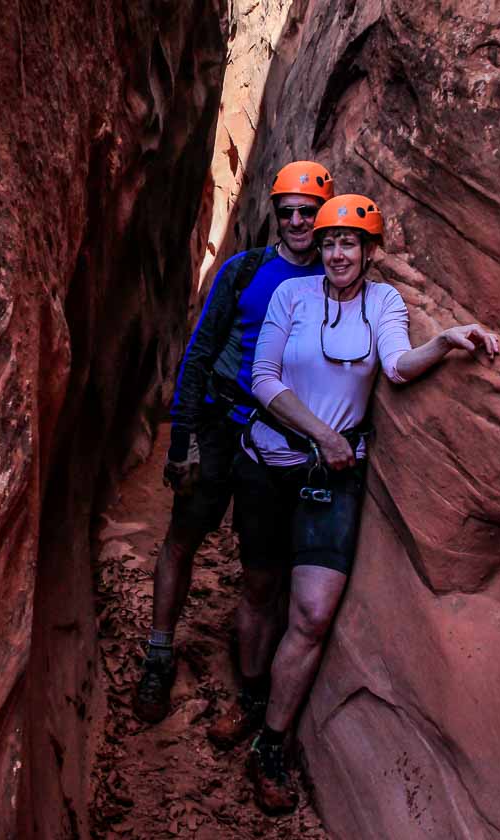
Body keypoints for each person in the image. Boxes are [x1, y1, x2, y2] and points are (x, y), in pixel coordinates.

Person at [221, 194, 499, 814]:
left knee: (313, 614)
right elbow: (262, 377)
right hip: (272, 462)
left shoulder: (383, 303)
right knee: (259, 590)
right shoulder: (292, 298)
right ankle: (249, 697)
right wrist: (322, 433)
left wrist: (447, 341)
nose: (337, 253)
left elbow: (398, 365)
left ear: (370, 252)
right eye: (328, 242)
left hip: (332, 479)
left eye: (350, 243)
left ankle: (271, 741)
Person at [133, 162, 335, 724]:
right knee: (184, 536)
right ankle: (159, 653)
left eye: (308, 210)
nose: (297, 220)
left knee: (262, 568)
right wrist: (181, 439)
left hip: (277, 438)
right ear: (276, 216)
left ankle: (251, 683)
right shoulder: (246, 271)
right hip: (221, 423)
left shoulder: (334, 282)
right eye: (288, 211)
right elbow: (200, 350)